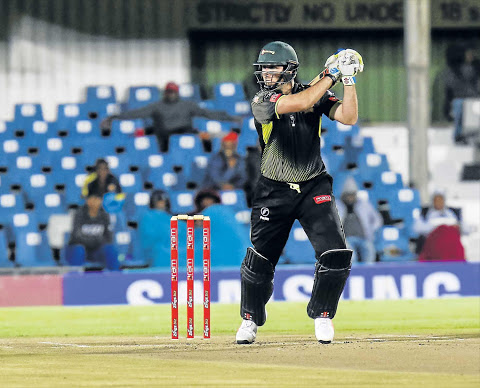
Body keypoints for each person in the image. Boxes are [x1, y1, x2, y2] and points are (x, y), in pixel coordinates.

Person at [235, 41, 364, 345]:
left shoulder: (317, 90)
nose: (266, 73)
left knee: (335, 253)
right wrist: (330, 74)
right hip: (273, 189)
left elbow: (348, 117)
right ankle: (250, 320)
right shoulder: (263, 100)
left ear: (290, 69)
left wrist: (347, 79)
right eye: (263, 68)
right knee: (260, 261)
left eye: (273, 67)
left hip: (313, 185)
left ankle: (323, 317)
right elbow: (302, 102)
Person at [101, 82, 240, 152]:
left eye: (173, 92)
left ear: (177, 93)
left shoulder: (187, 105)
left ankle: (206, 155)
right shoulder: (157, 106)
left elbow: (209, 114)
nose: (171, 94)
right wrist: (114, 117)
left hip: (187, 131)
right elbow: (136, 113)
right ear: (165, 93)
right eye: (168, 92)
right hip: (165, 137)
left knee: (209, 136)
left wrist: (231, 118)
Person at [67, 192, 119, 270]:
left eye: (98, 199)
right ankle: (75, 277)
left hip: (97, 250)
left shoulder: (105, 215)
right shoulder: (78, 214)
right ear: (88, 200)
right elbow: (76, 237)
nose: (95, 201)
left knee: (110, 249)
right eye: (93, 198)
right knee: (79, 249)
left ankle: (116, 277)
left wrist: (92, 239)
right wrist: (96, 239)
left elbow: (108, 238)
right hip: (81, 249)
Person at [336, 176, 383, 264]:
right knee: (350, 254)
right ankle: (354, 273)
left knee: (369, 250)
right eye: (348, 195)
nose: (350, 198)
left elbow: (377, 219)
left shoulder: (364, 204)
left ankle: (368, 273)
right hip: (346, 239)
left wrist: (372, 229)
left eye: (352, 195)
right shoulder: (337, 205)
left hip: (363, 237)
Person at [443, 44, 480, 143]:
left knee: (464, 125)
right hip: (467, 100)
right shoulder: (470, 69)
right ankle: (461, 137)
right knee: (464, 124)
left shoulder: (453, 71)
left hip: (467, 101)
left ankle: (460, 137)